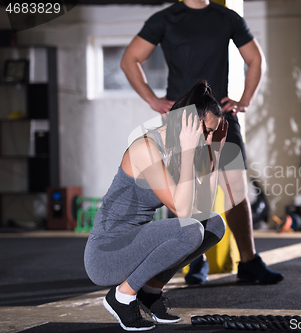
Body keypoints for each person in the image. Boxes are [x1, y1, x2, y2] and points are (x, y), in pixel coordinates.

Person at [121, 0, 284, 285]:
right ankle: (193, 260)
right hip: (180, 117)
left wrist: (245, 101)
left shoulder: (227, 18)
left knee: (234, 187)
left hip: (220, 116)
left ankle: (248, 260)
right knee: (183, 190)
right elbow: (129, 59)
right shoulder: (165, 19)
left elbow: (256, 60)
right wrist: (153, 99)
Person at [84, 82, 228, 331]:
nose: (208, 139)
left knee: (214, 224)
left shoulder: (177, 150)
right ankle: (122, 296)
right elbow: (184, 215)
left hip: (133, 246)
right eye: (206, 131)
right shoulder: (146, 149)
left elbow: (201, 208)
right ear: (186, 123)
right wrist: (188, 150)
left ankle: (150, 290)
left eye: (211, 133)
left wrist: (215, 152)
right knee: (191, 230)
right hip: (106, 254)